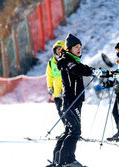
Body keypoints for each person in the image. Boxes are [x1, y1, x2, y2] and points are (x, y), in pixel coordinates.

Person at [48, 33, 100, 167]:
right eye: (76, 47)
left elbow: (83, 68)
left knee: (69, 130)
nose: (79, 49)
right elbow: (77, 69)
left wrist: (99, 72)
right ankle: (66, 161)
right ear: (69, 48)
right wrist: (92, 72)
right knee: (75, 131)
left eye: (80, 47)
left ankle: (58, 159)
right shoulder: (67, 61)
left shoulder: (73, 60)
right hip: (71, 101)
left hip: (74, 101)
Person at [46, 40, 65, 122]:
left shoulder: (66, 61)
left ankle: (70, 130)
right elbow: (49, 76)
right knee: (60, 112)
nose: (59, 51)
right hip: (56, 93)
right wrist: (50, 87)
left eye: (61, 49)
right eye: (57, 50)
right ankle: (66, 129)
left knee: (67, 112)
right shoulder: (51, 63)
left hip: (66, 93)